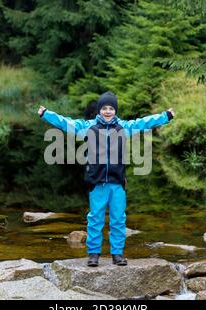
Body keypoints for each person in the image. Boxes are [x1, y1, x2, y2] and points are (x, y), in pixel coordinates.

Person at [38, 91, 175, 267]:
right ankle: (93, 254)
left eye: (111, 108)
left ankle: (117, 254)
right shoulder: (88, 127)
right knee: (95, 218)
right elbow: (66, 123)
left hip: (117, 183)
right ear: (99, 110)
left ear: (115, 110)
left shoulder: (123, 128)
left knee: (118, 219)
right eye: (104, 108)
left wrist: (166, 116)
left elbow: (144, 123)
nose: (108, 111)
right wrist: (47, 114)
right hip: (97, 183)